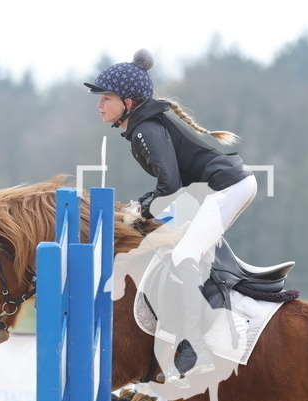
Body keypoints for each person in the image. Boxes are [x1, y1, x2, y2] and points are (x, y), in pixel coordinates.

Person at [86, 49, 258, 380]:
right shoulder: (143, 124)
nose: (99, 104)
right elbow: (172, 188)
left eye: (106, 98)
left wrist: (140, 207)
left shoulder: (143, 130)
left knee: (183, 258)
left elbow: (169, 186)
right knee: (180, 253)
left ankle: (198, 349)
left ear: (128, 102)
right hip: (223, 187)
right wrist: (143, 207)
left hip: (226, 188)